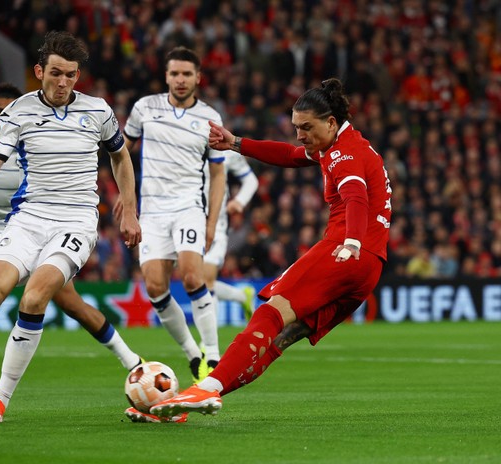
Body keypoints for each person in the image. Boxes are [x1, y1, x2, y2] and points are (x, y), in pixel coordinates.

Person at [0, 31, 141, 424]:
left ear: (79, 75)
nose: (63, 83)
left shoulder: (98, 111)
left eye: (71, 75)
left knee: (34, 298)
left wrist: (129, 208)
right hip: (29, 216)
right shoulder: (18, 112)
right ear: (39, 71)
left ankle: (0, 396)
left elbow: (121, 158)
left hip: (76, 219)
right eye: (56, 73)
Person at [151, 78, 392, 419]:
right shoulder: (343, 145)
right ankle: (201, 395)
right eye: (296, 127)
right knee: (280, 338)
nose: (299, 135)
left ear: (331, 122)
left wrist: (351, 240)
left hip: (345, 250)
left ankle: (206, 388)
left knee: (269, 312)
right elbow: (292, 156)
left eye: (306, 128)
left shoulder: (344, 153)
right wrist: (236, 142)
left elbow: (355, 196)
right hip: (369, 268)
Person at [116, 46, 226, 423]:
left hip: (188, 208)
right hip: (152, 209)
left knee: (193, 275)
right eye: (174, 73)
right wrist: (126, 199)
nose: (180, 79)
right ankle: (192, 354)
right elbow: (122, 153)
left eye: (187, 74)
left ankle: (212, 356)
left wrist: (211, 220)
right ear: (166, 77)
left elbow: (218, 172)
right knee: (155, 287)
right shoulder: (145, 108)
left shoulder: (210, 118)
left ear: (198, 78)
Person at [203, 151, 259, 321]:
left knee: (206, 280)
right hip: (187, 223)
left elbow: (251, 180)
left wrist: (239, 201)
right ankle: (243, 296)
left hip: (216, 224)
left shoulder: (226, 153)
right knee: (194, 281)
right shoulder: (182, 146)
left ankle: (208, 345)